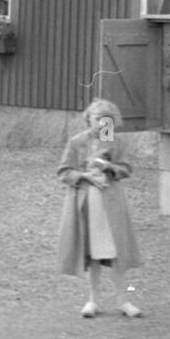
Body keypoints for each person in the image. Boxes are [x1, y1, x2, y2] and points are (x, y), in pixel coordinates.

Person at [57, 99, 142, 318]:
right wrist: (85, 175)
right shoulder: (77, 142)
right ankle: (93, 301)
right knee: (93, 252)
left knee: (115, 252)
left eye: (108, 121)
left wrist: (109, 167)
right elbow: (64, 172)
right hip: (88, 204)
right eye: (98, 119)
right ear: (88, 119)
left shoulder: (114, 142)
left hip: (111, 204)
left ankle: (123, 301)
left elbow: (126, 169)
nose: (102, 124)